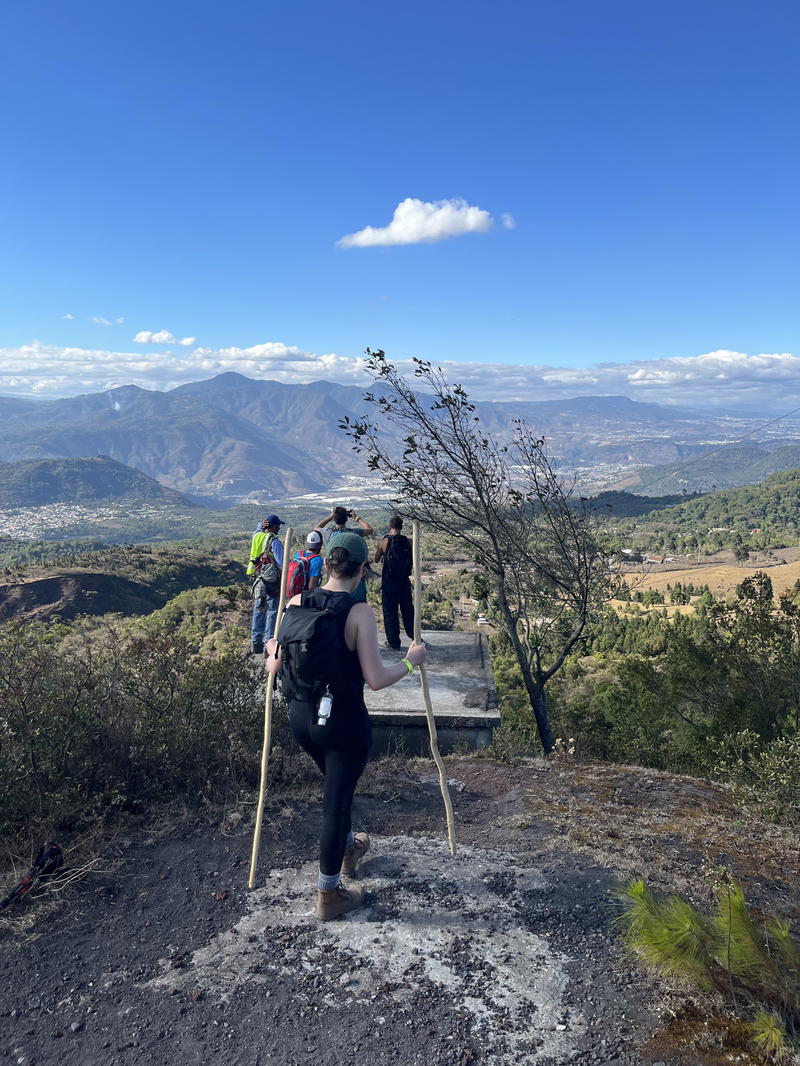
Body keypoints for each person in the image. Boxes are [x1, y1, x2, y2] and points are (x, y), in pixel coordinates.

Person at [266, 532, 426, 921]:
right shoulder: (359, 614)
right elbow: (375, 678)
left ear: (328, 564)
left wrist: (271, 653)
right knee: (335, 807)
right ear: (361, 570)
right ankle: (329, 894)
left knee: (338, 790)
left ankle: (350, 846)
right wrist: (411, 661)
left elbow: (275, 666)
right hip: (344, 725)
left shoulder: (296, 603)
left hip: (301, 720)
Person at [315, 506, 374, 603]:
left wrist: (331, 517)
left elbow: (316, 528)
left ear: (335, 519)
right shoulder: (354, 533)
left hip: (335, 576)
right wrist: (356, 517)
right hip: (353, 577)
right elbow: (369, 529)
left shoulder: (328, 533)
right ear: (346, 519)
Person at [374, 515, 414, 650]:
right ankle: (415, 637)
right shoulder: (409, 541)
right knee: (408, 609)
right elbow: (412, 560)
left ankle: (393, 643)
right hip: (403, 581)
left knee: (390, 612)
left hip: (389, 582)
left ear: (390, 527)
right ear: (401, 527)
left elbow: (376, 559)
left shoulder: (383, 542)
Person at [250, 514, 284, 655]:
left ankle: (255, 642)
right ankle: (268, 644)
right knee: (272, 611)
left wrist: (260, 524)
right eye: (278, 526)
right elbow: (282, 562)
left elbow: (257, 529)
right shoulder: (274, 541)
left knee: (259, 608)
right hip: (271, 580)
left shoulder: (256, 536)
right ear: (274, 526)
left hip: (258, 578)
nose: (279, 528)